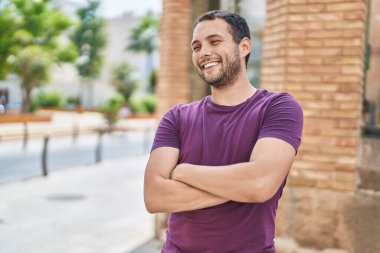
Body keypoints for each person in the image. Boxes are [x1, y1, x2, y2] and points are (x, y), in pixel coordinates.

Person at [144, 10, 303, 253]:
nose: (203, 52)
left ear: (244, 46)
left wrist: (183, 171)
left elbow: (260, 184)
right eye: (196, 47)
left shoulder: (277, 107)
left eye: (214, 41)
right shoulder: (177, 117)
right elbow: (155, 197)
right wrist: (242, 186)